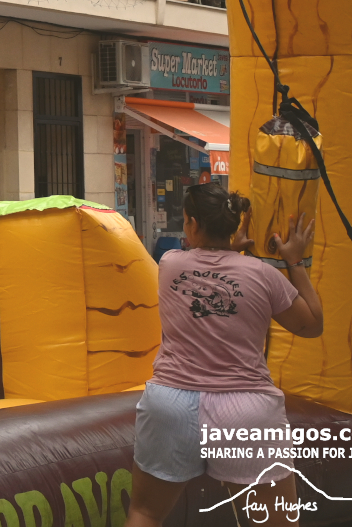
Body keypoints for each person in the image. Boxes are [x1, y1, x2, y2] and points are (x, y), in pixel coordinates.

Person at [125, 183, 323, 527]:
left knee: (145, 513)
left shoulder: (170, 264)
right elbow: (312, 325)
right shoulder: (263, 275)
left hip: (171, 404)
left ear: (192, 224)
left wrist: (229, 248)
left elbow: (211, 267)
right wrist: (294, 261)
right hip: (245, 411)